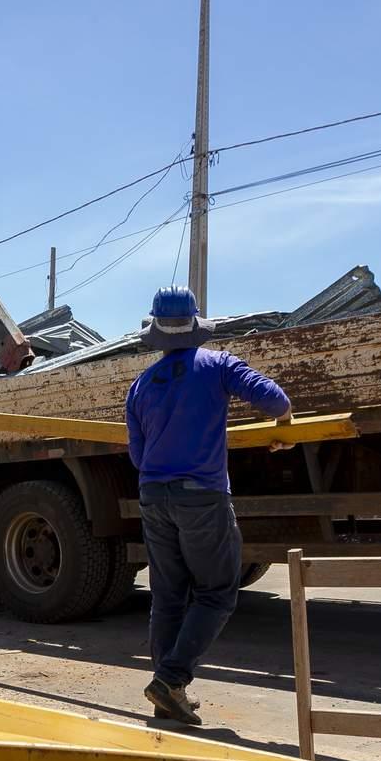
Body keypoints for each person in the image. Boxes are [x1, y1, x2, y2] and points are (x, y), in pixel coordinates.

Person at [125, 287, 292, 725]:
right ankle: (172, 678)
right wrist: (284, 425)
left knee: (167, 597)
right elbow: (276, 400)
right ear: (196, 326)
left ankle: (168, 689)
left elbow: (139, 457)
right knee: (217, 593)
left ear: (156, 332)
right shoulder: (218, 365)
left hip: (154, 496)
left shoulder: (140, 385)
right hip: (202, 496)